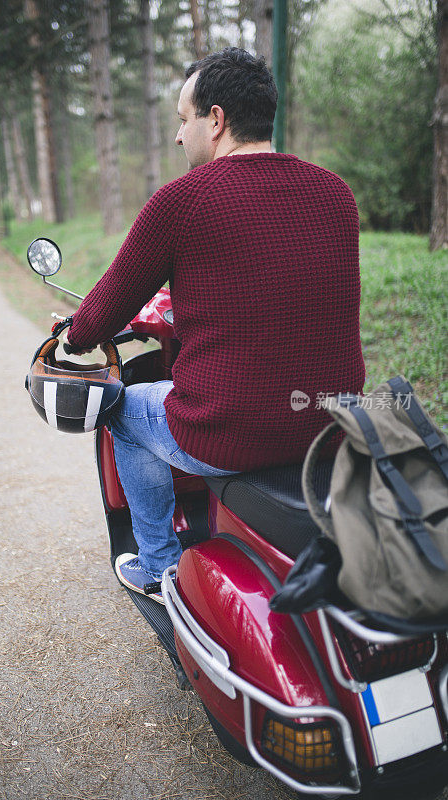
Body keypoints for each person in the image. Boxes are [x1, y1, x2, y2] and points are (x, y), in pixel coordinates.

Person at [66, 47, 365, 603]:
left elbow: (108, 306)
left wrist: (73, 335)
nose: (180, 136)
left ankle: (158, 566)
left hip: (232, 431)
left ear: (217, 119)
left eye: (183, 120)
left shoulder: (181, 202)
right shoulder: (336, 194)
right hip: (332, 425)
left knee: (124, 411)